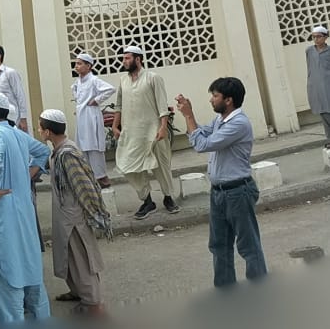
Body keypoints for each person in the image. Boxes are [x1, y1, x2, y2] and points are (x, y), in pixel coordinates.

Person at [176, 77, 267, 288]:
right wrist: (189, 116)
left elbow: (202, 144)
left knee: (248, 246)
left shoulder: (238, 124)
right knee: (219, 246)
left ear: (228, 100)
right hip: (218, 192)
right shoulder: (220, 120)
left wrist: (188, 115)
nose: (211, 100)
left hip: (238, 192)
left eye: (215, 96)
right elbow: (201, 132)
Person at [0, 91, 52, 322]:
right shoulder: (16, 133)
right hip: (22, 215)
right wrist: (25, 175)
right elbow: (43, 151)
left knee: (8, 282)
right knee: (30, 272)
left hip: (2, 220)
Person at [38, 109, 111, 317]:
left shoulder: (67, 154)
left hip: (74, 218)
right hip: (65, 215)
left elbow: (85, 187)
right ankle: (78, 292)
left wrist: (96, 213)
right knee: (69, 258)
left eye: (41, 127)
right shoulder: (59, 151)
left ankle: (93, 303)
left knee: (81, 260)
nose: (39, 130)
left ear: (48, 132)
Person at [114, 45, 179, 219]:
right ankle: (147, 201)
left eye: (127, 58)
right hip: (132, 133)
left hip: (154, 131)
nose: (124, 61)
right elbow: (119, 105)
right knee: (130, 167)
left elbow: (162, 105)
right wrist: (115, 126)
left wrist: (163, 127)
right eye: (123, 58)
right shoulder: (123, 80)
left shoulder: (153, 78)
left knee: (162, 166)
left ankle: (168, 197)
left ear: (138, 59)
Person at [70, 53, 118, 187]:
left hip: (91, 116)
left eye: (80, 64)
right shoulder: (78, 81)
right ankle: (88, 176)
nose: (76, 66)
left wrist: (96, 100)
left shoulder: (93, 80)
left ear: (89, 66)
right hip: (81, 117)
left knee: (94, 145)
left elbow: (110, 89)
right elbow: (76, 93)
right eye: (76, 63)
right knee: (82, 146)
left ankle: (101, 176)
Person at [306, 26, 330, 162]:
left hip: (328, 86)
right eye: (314, 37)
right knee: (323, 113)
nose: (316, 39)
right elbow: (310, 68)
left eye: (319, 36)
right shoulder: (309, 51)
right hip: (316, 87)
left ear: (325, 37)